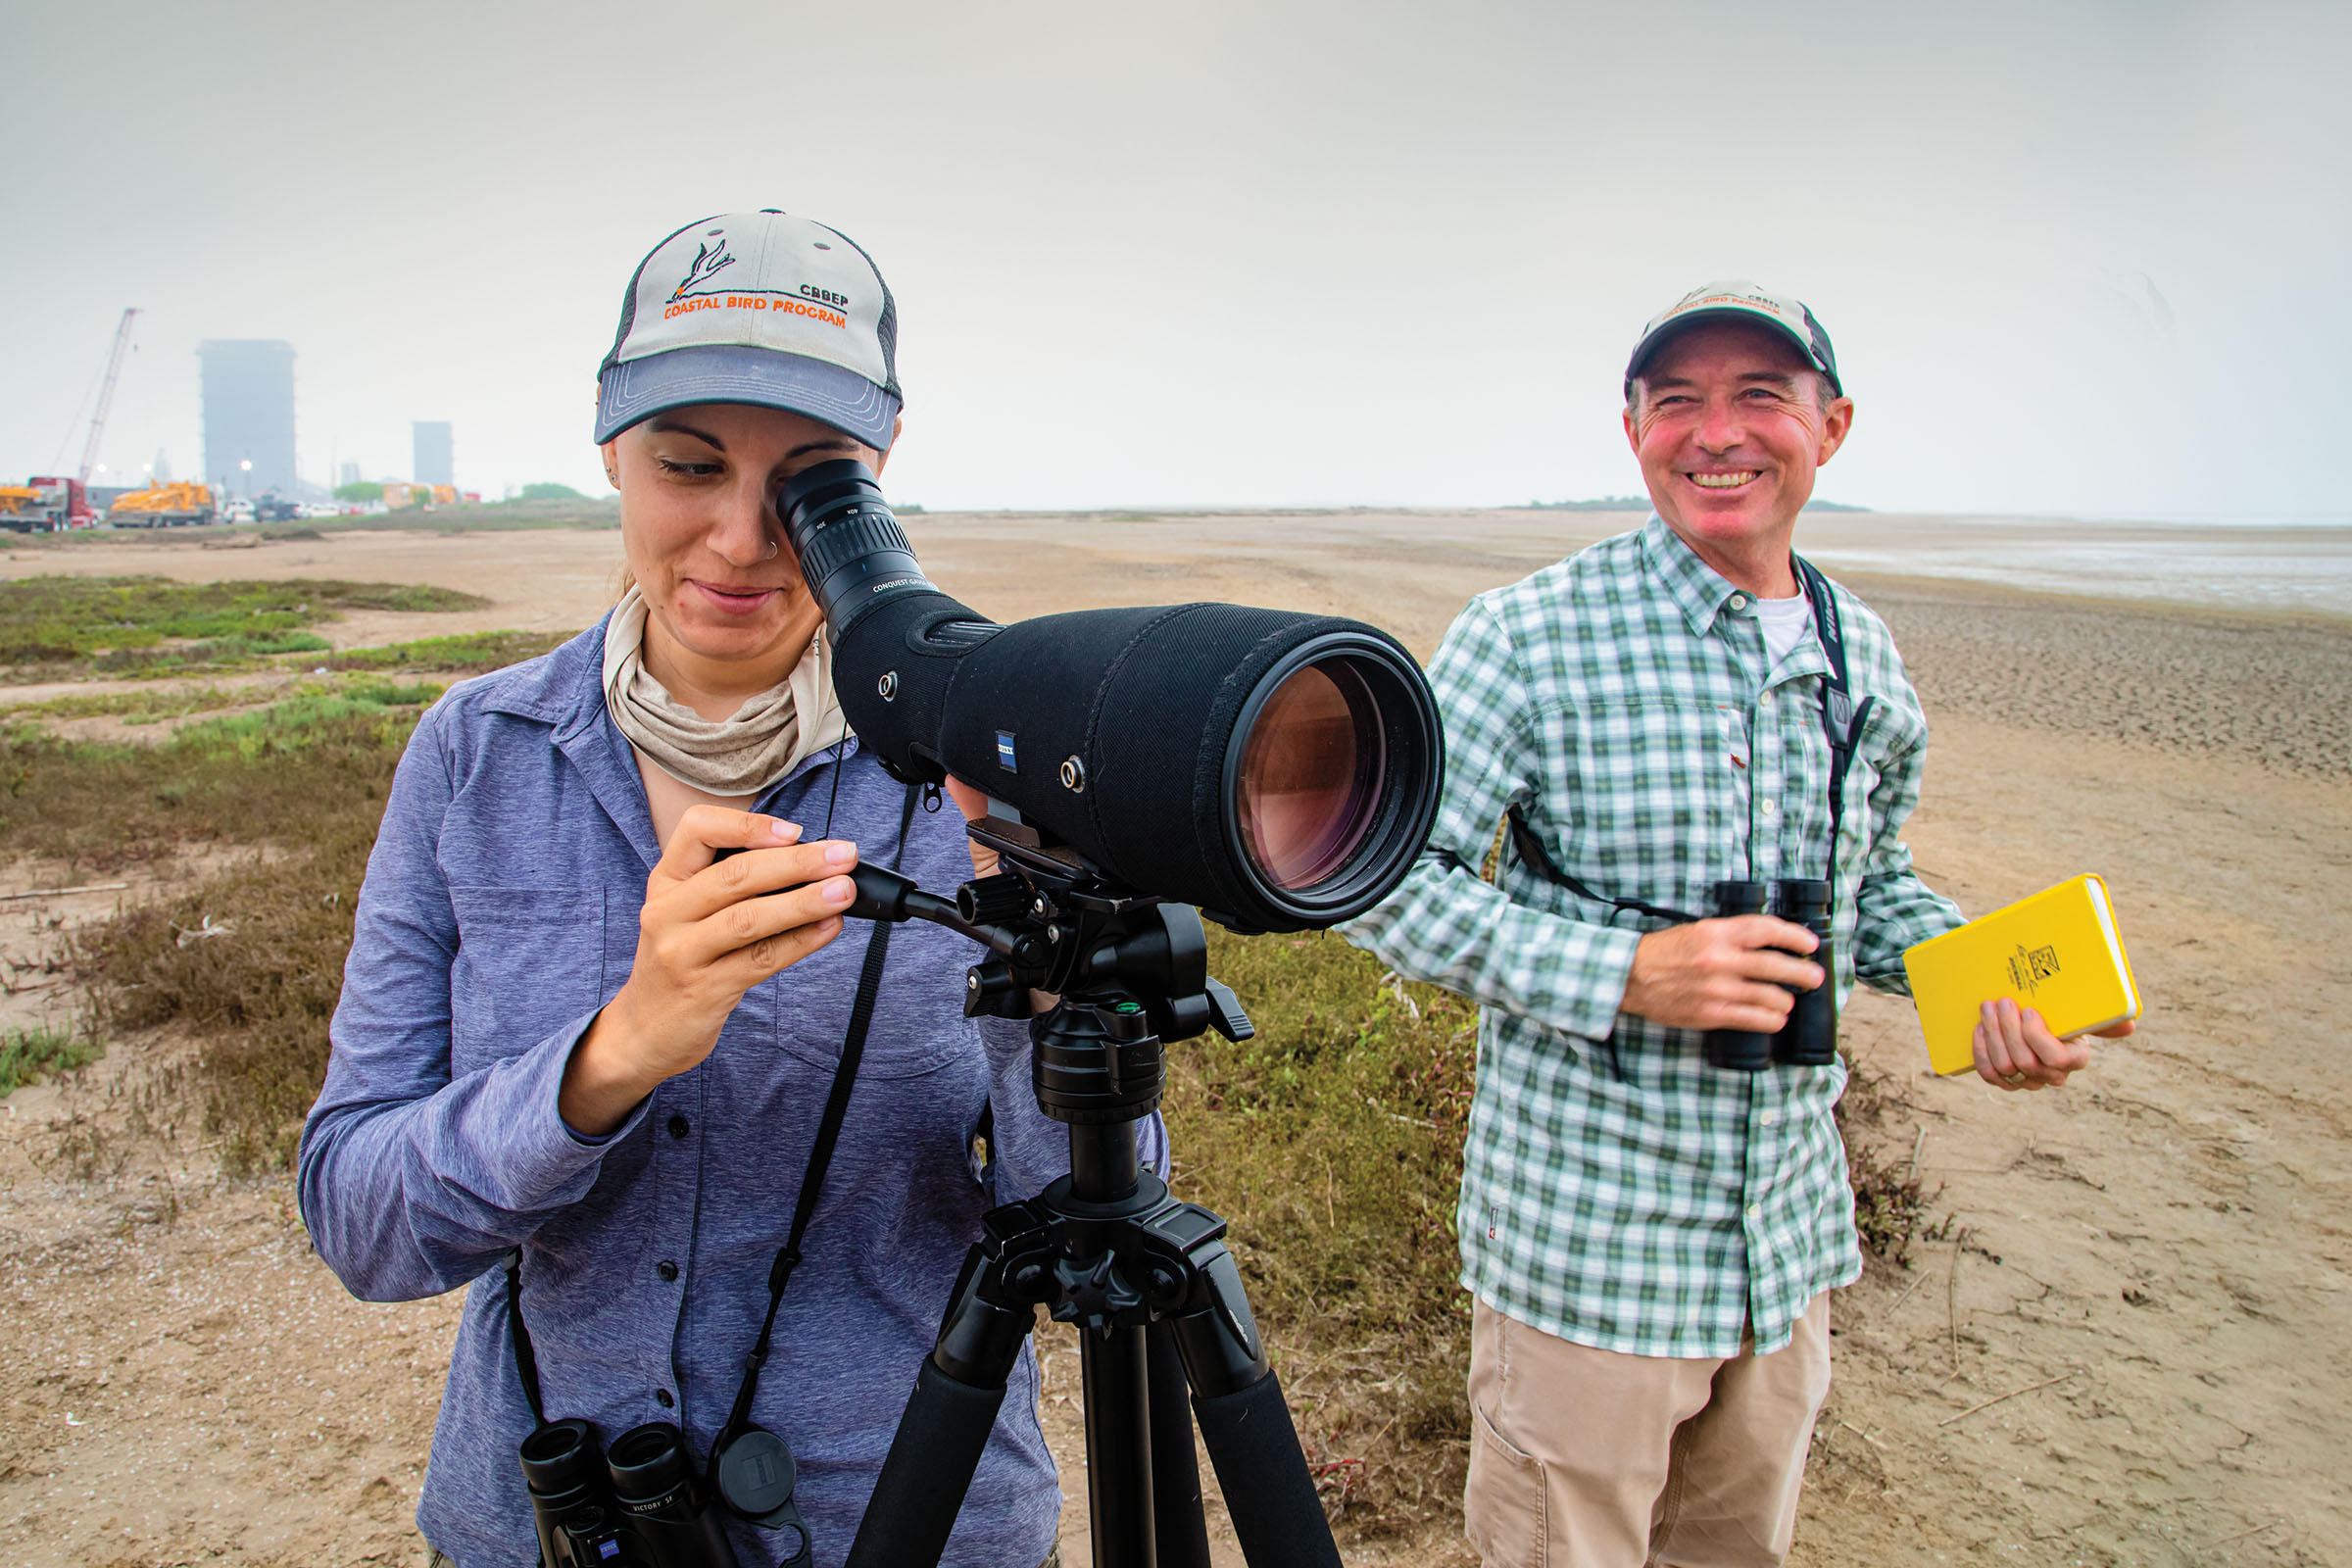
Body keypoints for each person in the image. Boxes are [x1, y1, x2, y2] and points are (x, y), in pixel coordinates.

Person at [299, 211, 1144, 1568]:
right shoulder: (477, 756)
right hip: (546, 1521)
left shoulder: (976, 773)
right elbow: (358, 1217)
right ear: (607, 454)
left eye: (814, 485)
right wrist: (613, 1055)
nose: (743, 538)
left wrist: (1051, 944)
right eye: (687, 465)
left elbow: (1088, 1230)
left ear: (884, 471)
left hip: (909, 1522)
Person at [1342, 280, 2134, 1568]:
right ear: (1633, 429)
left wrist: (2004, 992)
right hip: (1589, 1252)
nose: (1716, 434)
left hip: (1789, 1251)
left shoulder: (1861, 655)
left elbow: (1870, 895)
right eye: (1678, 403)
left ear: (1832, 427)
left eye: (1760, 396)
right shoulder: (1527, 637)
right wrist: (1625, 972)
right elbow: (1378, 879)